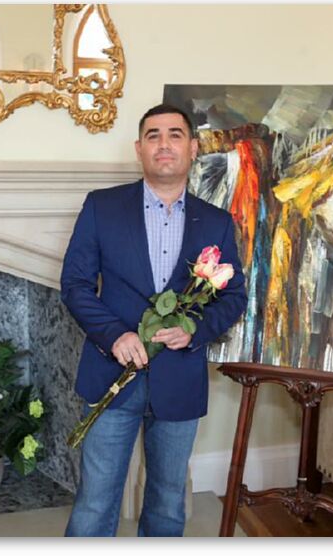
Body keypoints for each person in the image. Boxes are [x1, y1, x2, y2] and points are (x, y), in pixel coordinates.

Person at [60, 103, 248, 536]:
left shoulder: (217, 223)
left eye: (175, 135)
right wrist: (115, 335)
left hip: (179, 381)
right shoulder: (101, 207)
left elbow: (233, 296)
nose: (164, 144)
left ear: (193, 148)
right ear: (139, 149)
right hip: (110, 375)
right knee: (94, 501)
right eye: (153, 135)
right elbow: (75, 284)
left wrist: (193, 330)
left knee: (166, 503)